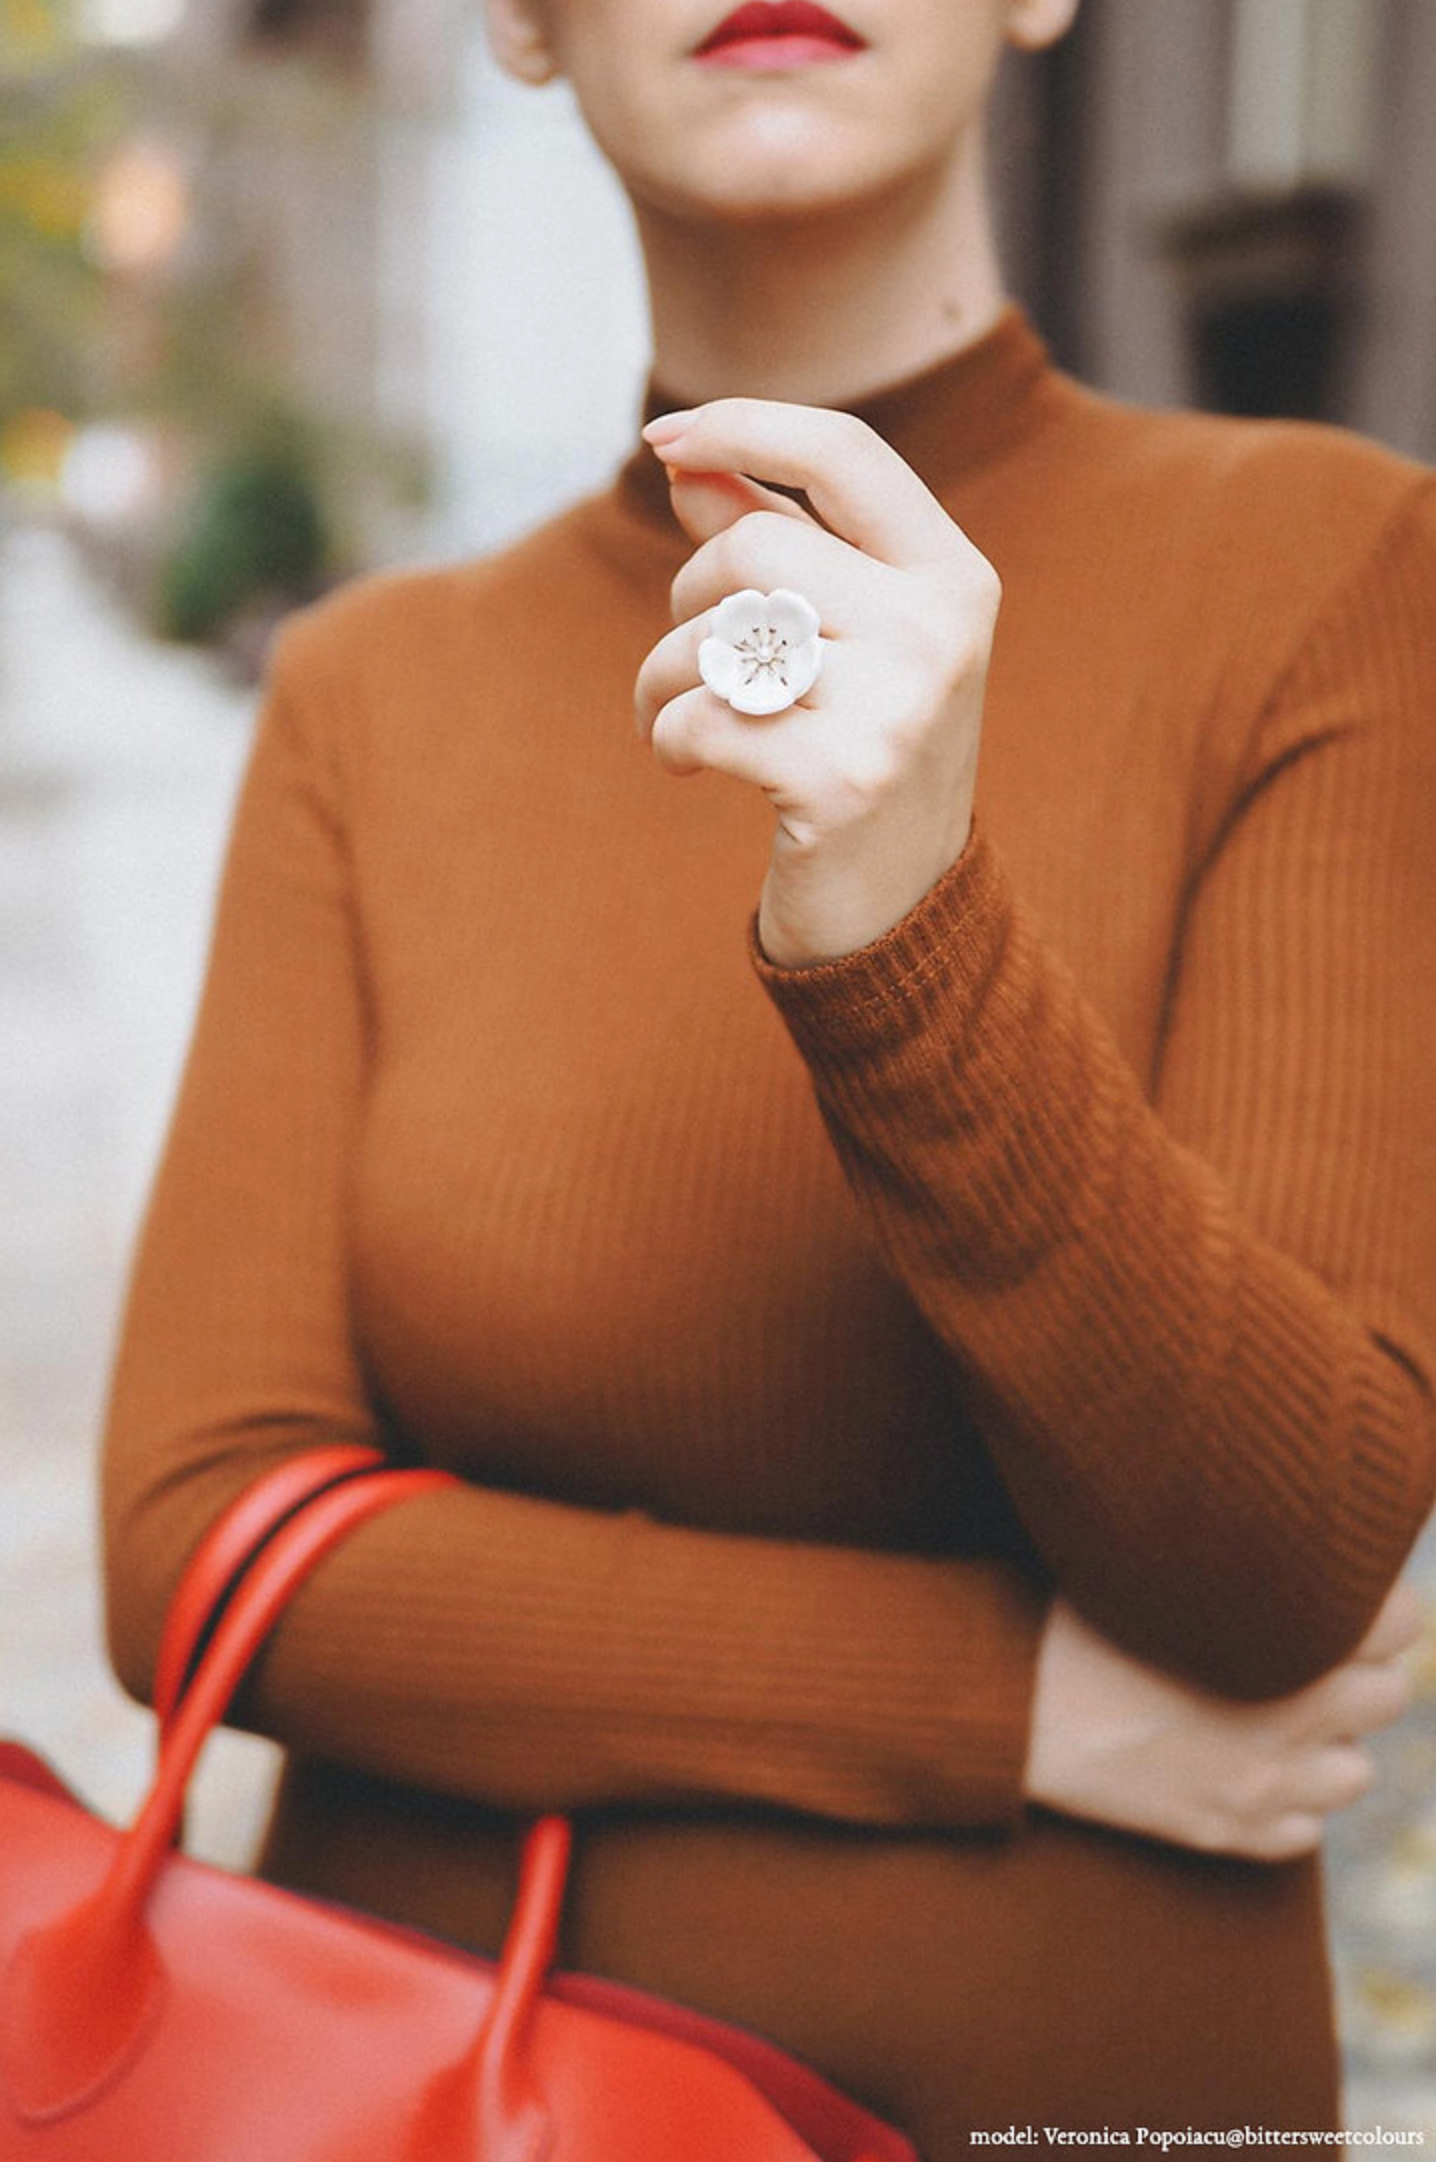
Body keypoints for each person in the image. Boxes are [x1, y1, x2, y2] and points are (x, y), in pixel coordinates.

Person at [100, 0, 1436, 2147]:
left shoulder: (1332, 571)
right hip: (401, 2089)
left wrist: (907, 935)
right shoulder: (376, 691)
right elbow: (199, 1544)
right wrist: (994, 1704)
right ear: (523, 24)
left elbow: (1277, 1565)